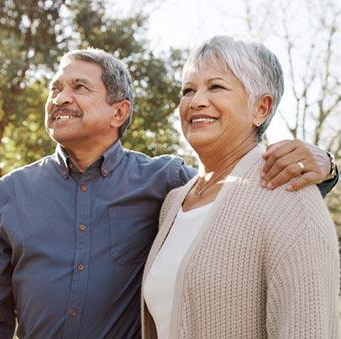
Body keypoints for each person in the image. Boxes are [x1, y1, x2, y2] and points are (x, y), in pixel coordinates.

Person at [0, 48, 338, 339]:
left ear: (118, 112)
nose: (59, 98)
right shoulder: (9, 194)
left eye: (79, 87)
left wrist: (326, 167)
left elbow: (238, 193)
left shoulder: (167, 183)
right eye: (55, 88)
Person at [141, 35, 340, 339]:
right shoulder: (174, 202)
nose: (196, 101)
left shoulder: (290, 196)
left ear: (261, 108)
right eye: (188, 90)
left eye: (216, 86)